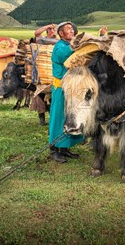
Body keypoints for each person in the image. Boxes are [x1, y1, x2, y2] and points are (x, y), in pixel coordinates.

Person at [49, 21, 84, 163]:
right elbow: (66, 55)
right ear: (61, 34)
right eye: (67, 29)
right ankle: (54, 149)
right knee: (58, 117)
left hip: (71, 88)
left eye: (72, 28)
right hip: (61, 89)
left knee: (69, 117)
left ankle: (64, 148)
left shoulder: (70, 45)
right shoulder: (60, 47)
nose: (71, 31)